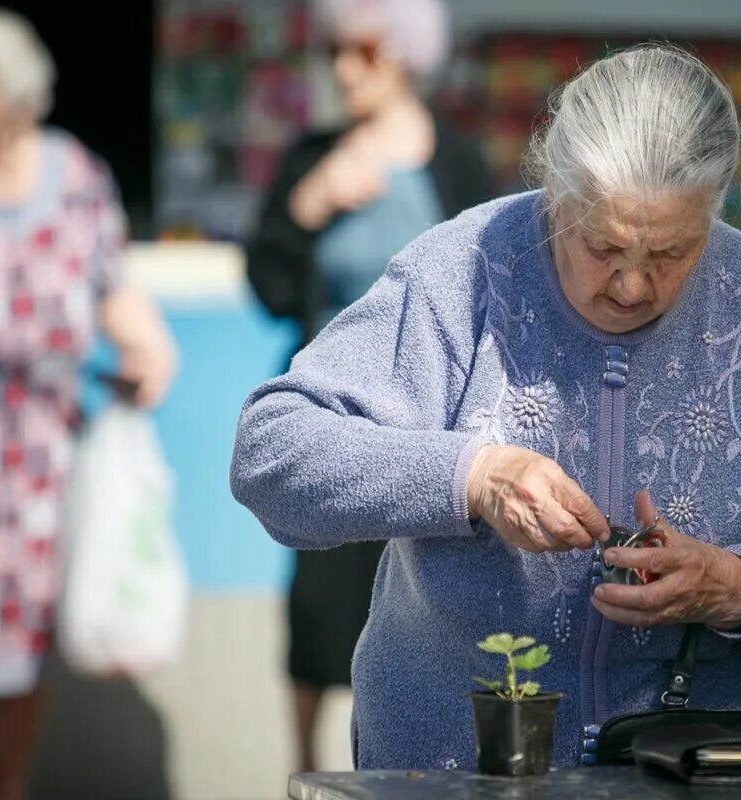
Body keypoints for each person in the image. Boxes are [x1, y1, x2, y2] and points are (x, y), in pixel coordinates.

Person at [230, 44, 741, 771]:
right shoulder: (462, 271)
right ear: (555, 191)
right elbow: (272, 450)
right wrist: (473, 477)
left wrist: (737, 585)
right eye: (603, 245)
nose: (633, 286)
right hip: (459, 771)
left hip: (708, 770)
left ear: (716, 209)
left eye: (672, 253)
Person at [0, 4, 176, 798]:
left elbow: (112, 285)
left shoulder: (76, 177)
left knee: (24, 661)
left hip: (47, 466)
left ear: (17, 101)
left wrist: (149, 350)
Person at [243, 0, 491, 773]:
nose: (345, 69)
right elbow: (268, 285)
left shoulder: (458, 159)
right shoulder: (312, 153)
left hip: (432, 430)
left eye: (364, 52)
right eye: (335, 53)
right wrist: (305, 206)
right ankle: (305, 771)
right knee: (319, 608)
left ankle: (415, 770)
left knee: (427, 604)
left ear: (405, 54)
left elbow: (497, 285)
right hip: (336, 420)